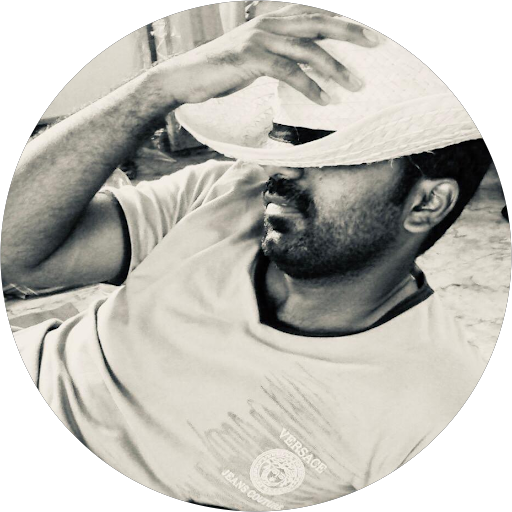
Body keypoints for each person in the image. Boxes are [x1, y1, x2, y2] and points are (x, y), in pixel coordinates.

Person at [2, 4, 492, 510]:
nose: (280, 171)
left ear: (426, 203)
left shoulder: (431, 403)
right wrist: (155, 90)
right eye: (285, 142)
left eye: (325, 154)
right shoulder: (225, 194)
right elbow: (12, 252)